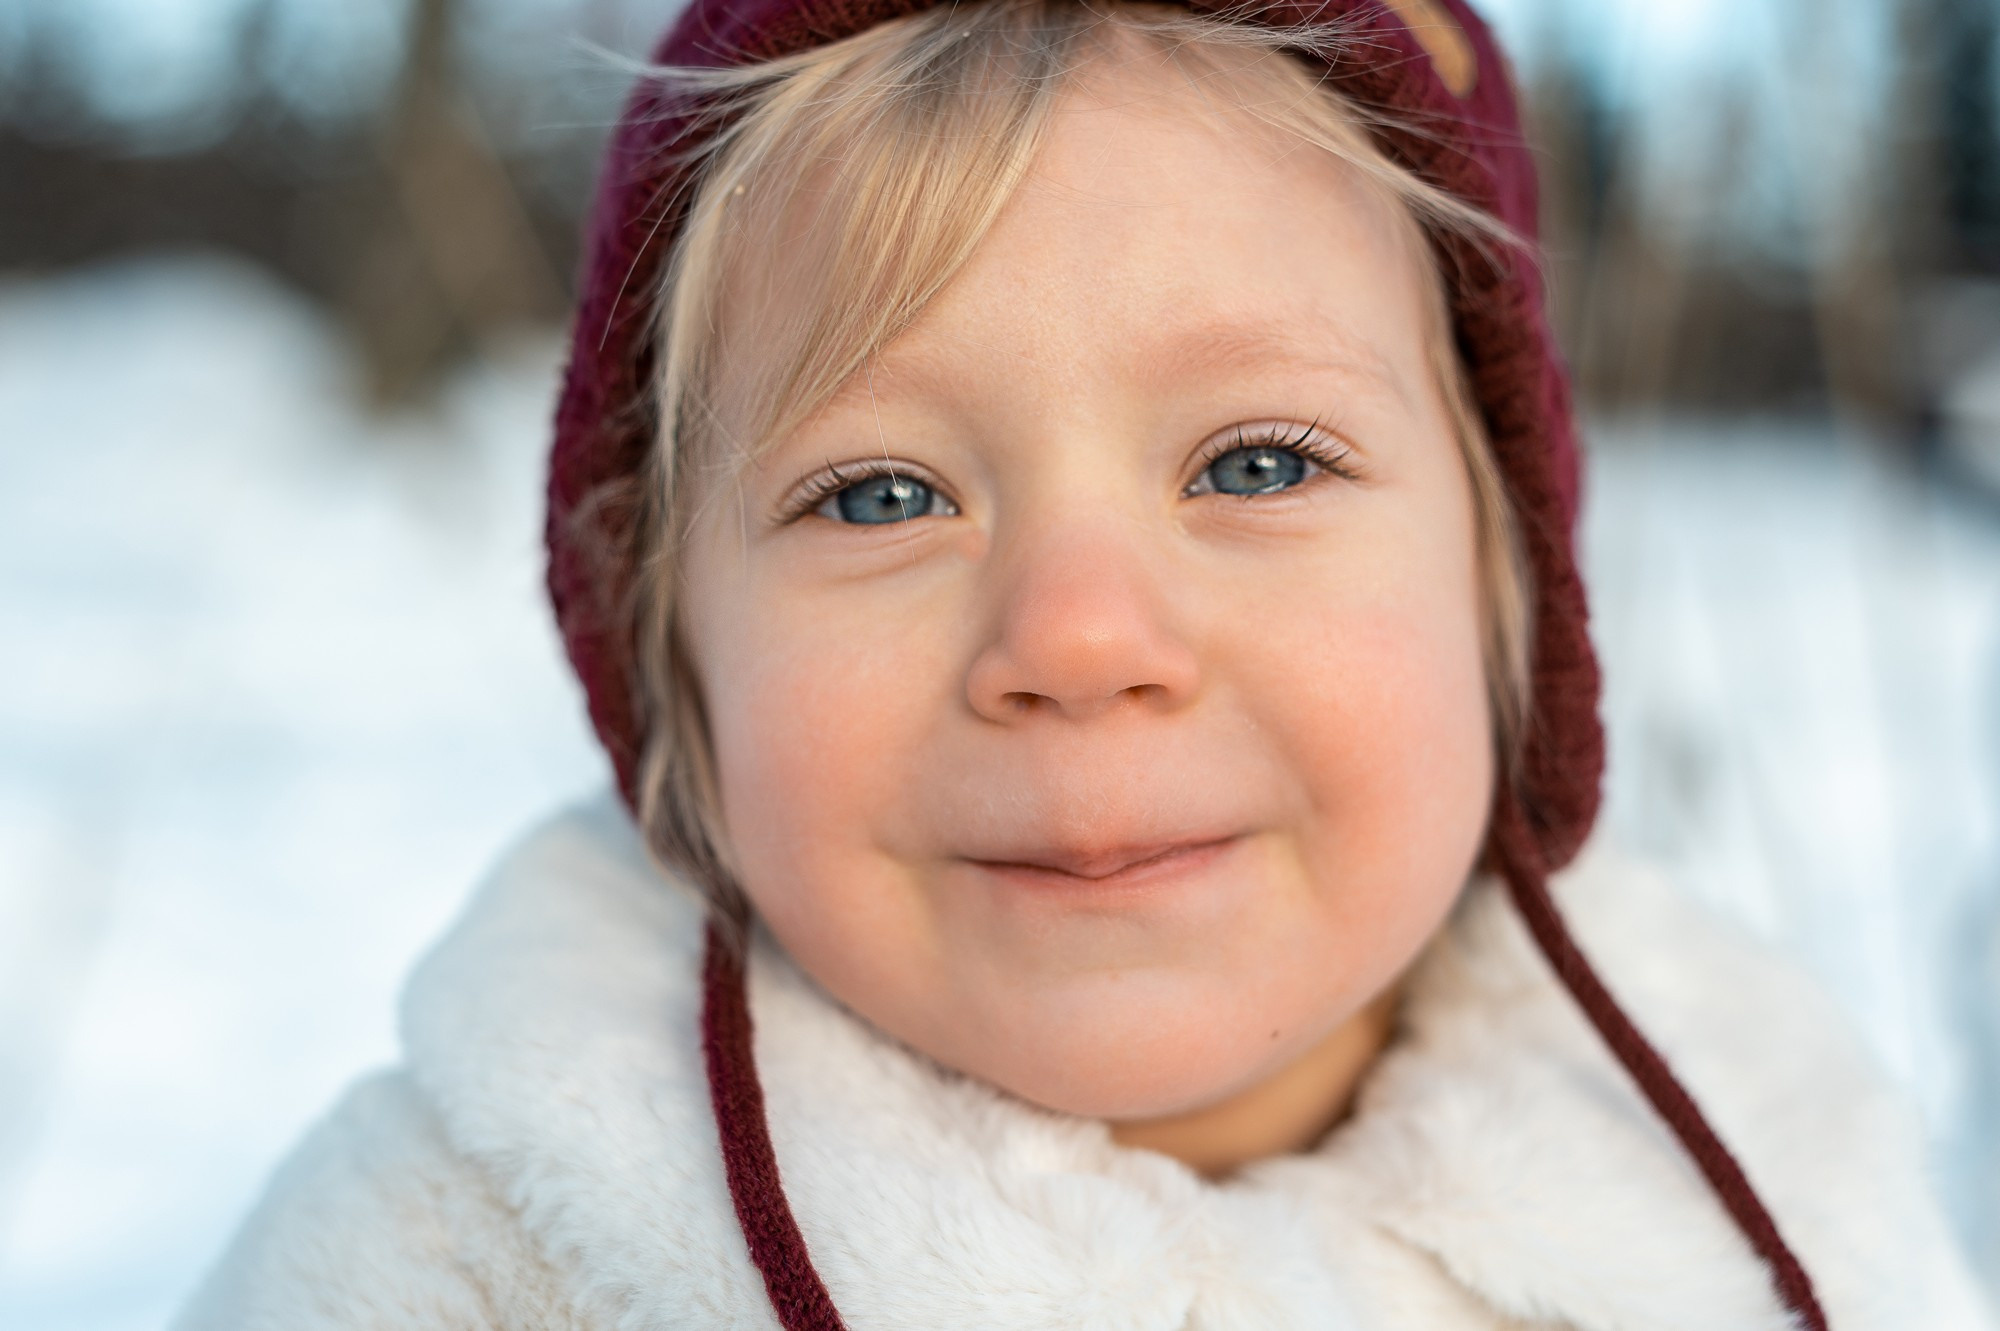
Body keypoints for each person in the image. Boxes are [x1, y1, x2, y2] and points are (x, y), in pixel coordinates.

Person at [176, 0, 1996, 1327]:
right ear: (669, 653)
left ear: (1503, 577)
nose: (1078, 639)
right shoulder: (454, 1269)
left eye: (1259, 462)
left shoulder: (1772, 1182)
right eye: (880, 491)